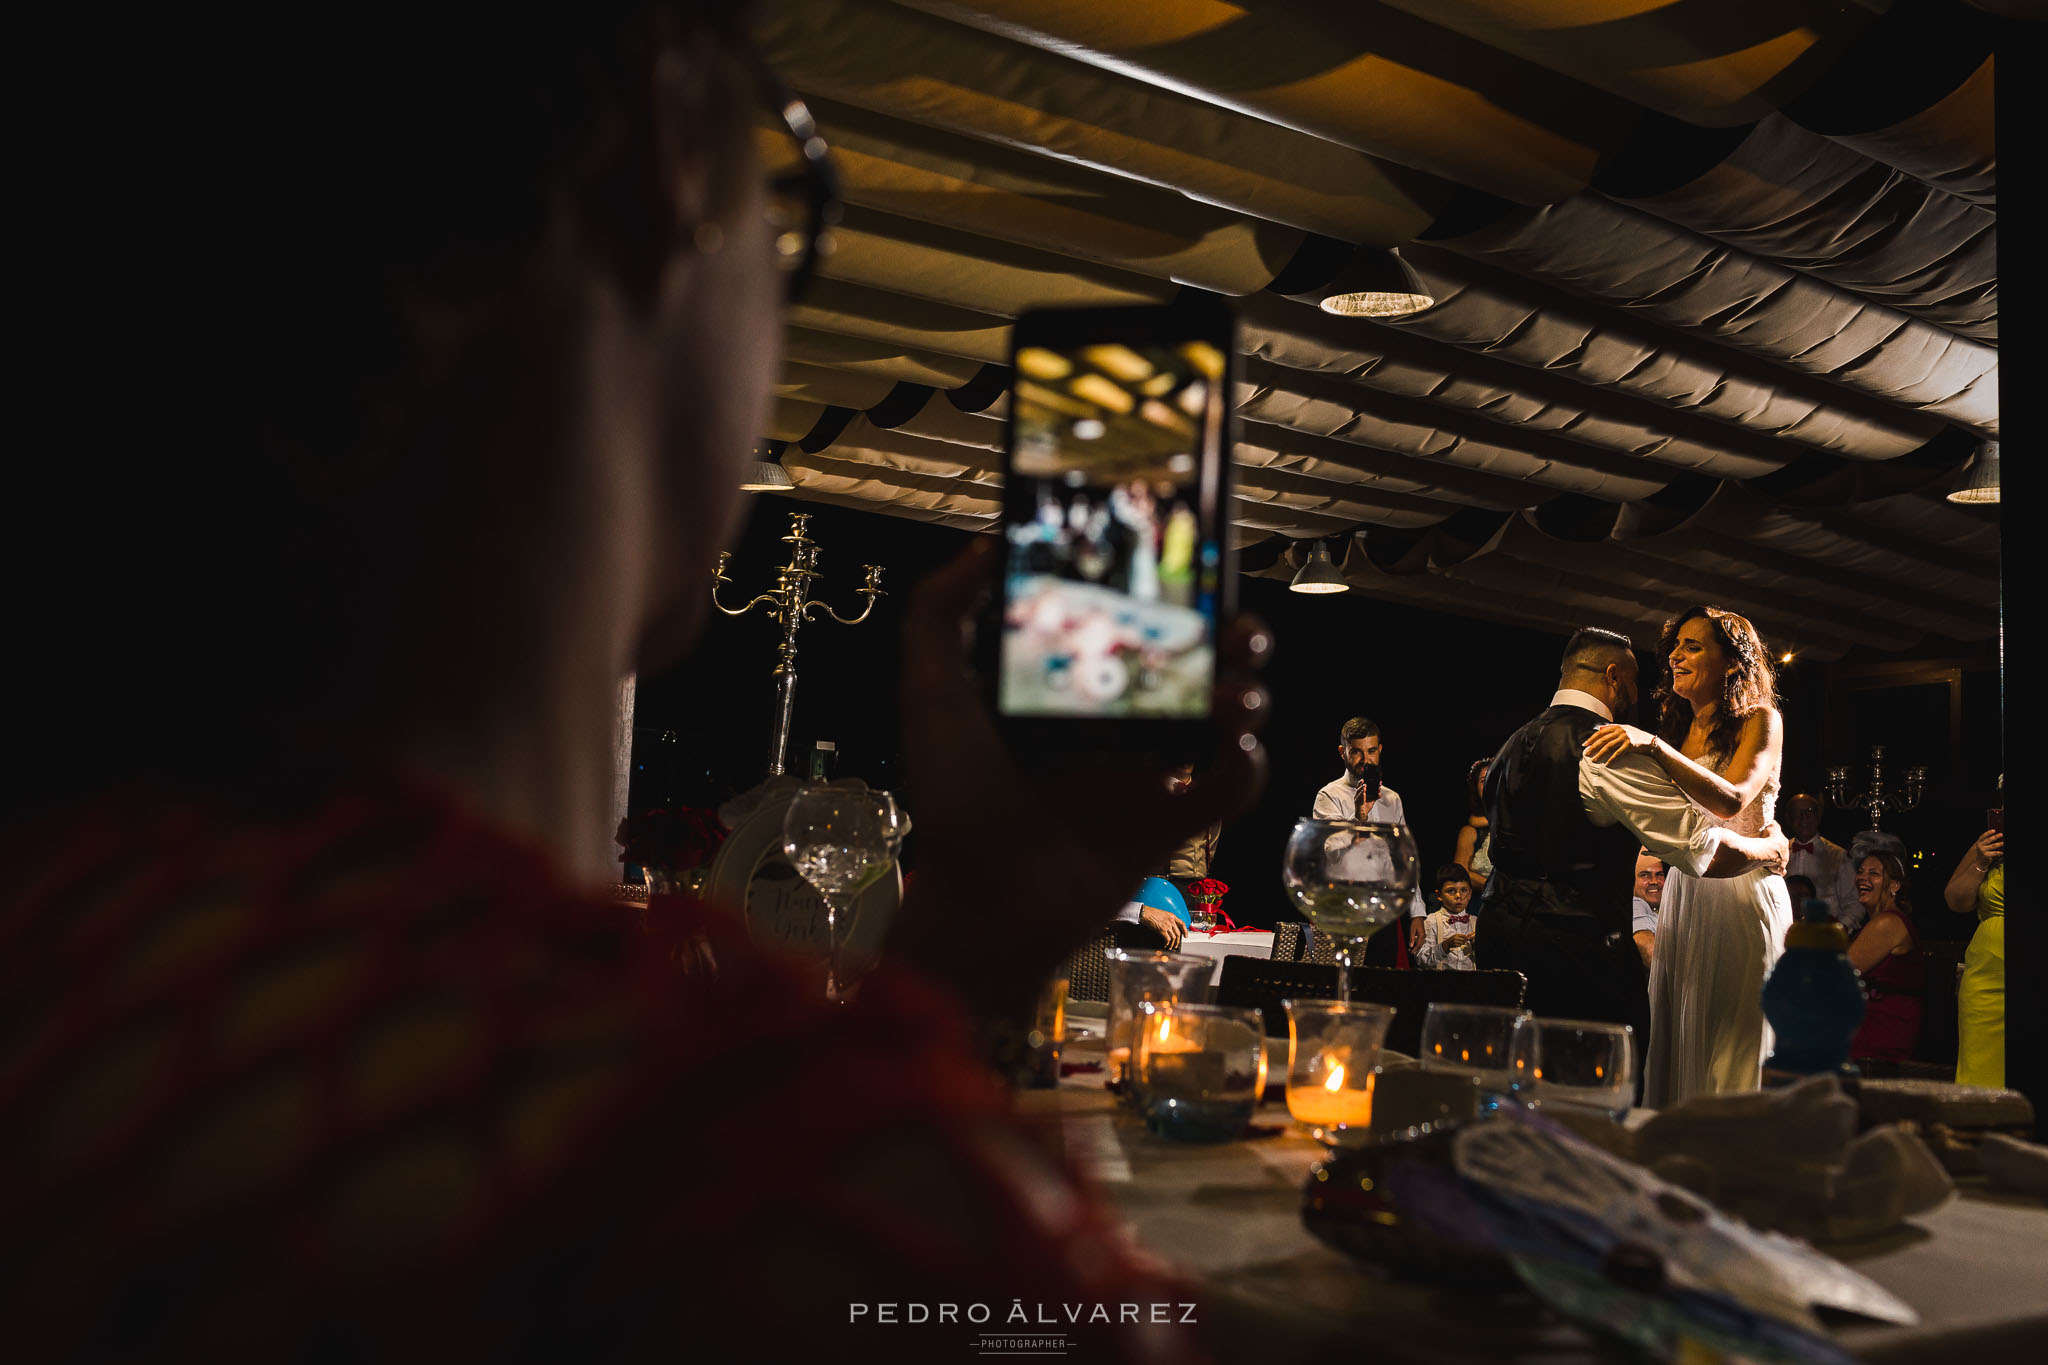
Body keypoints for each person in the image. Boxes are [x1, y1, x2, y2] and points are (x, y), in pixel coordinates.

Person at [5, 7, 1276, 1357]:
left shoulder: (82, 939)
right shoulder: (772, 1192)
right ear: (667, 149)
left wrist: (974, 950)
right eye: (790, 196)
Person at [1476, 627, 1787, 1058]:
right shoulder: (1603, 748)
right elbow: (1704, 849)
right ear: (1614, 677)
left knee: (1510, 1074)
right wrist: (1770, 850)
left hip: (1496, 935)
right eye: (1635, 678)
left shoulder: (1511, 745)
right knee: (1590, 1083)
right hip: (1573, 944)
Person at [1584, 606, 1794, 1108]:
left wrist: (1654, 748)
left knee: (1735, 1047)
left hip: (1744, 896)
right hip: (1685, 897)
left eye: (1693, 646)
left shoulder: (1761, 720)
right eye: (1675, 646)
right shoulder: (1678, 728)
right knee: (1680, 1040)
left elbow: (1732, 799)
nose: (1676, 656)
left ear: (1732, 663)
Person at [1312, 716, 1423, 954]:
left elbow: (1404, 858)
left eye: (1371, 751)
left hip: (1383, 911)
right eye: (1356, 752)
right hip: (1345, 910)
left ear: (1380, 750)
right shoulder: (1328, 796)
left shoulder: (1392, 799)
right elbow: (1333, 851)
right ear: (1343, 752)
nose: (1365, 759)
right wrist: (1359, 818)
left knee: (1381, 986)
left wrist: (1417, 912)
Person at [1944, 818, 2006, 1087]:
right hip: (1986, 979)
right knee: (1980, 1071)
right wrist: (1981, 861)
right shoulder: (1991, 841)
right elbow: (1955, 901)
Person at [1847, 852, 1924, 1063]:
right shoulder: (1877, 922)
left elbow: (1840, 973)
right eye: (1861, 872)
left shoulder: (1887, 924)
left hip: (1884, 1030)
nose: (1863, 878)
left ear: (1894, 886)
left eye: (1874, 874)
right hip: (1869, 1021)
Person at [1783, 792, 1864, 934]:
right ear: (1789, 818)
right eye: (1798, 812)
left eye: (1809, 811)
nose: (1804, 817)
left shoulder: (1838, 856)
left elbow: (1855, 904)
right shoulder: (1778, 854)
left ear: (1818, 817)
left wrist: (1837, 930)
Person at [1415, 864, 1479, 971]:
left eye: (1463, 890)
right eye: (1451, 891)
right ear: (1439, 895)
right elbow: (1421, 960)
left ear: (1470, 894)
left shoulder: (1477, 923)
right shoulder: (1431, 922)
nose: (1458, 896)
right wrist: (1445, 946)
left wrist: (1478, 945)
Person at [1453, 757, 1494, 896]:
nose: (1489, 783)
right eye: (1483, 780)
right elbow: (1461, 872)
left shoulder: (1518, 825)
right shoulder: (1471, 831)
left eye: (1493, 777)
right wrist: (1496, 888)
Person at [1633, 849, 1666, 968]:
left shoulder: (1668, 909)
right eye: (1644, 875)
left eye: (1659, 874)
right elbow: (1647, 947)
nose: (1654, 881)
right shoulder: (1636, 904)